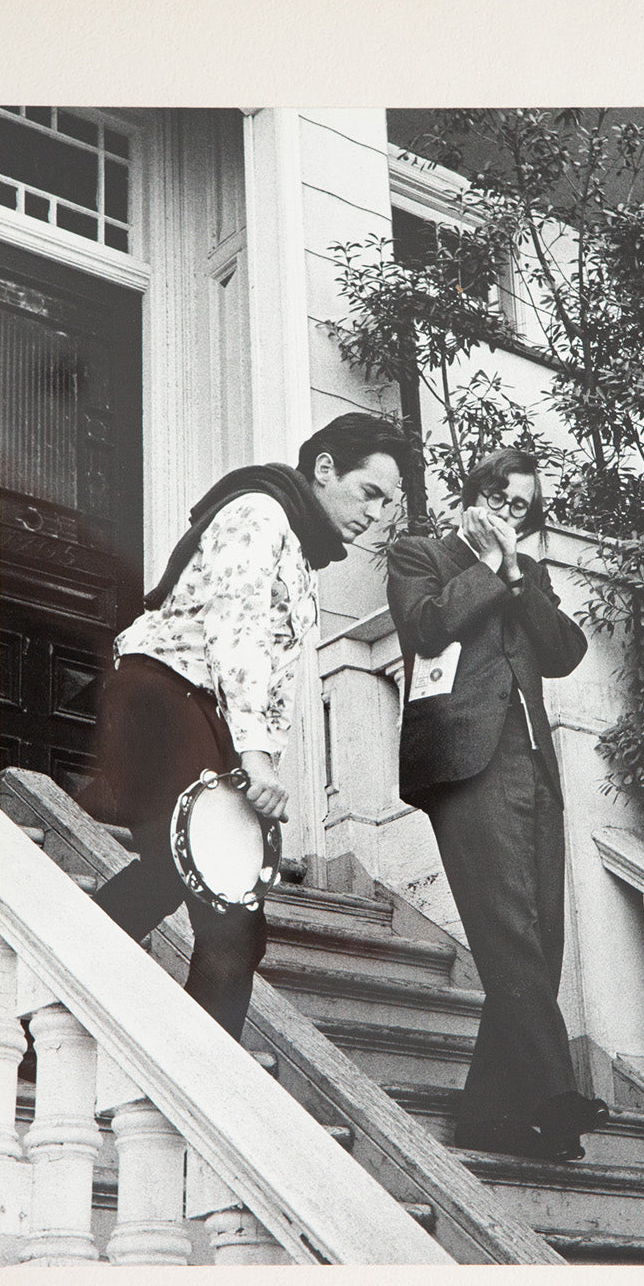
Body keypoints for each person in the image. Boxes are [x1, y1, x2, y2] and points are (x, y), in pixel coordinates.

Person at [81, 413, 406, 1045]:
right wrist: (256, 757)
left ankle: (53, 984)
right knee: (230, 918)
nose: (376, 516)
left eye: (387, 504)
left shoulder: (296, 544)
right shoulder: (261, 513)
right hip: (165, 698)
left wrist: (253, 754)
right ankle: (201, 1082)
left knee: (178, 880)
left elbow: (268, 669)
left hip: (199, 712)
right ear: (326, 468)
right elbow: (238, 633)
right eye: (369, 492)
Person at [386, 448, 608, 1163]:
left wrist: (514, 573)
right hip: (466, 764)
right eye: (501, 500)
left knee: (541, 940)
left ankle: (487, 1115)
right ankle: (555, 1093)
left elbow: (564, 652)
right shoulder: (419, 554)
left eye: (522, 507)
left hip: (534, 761)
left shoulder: (527, 573)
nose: (510, 515)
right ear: (472, 497)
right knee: (510, 930)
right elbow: (424, 628)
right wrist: (485, 565)